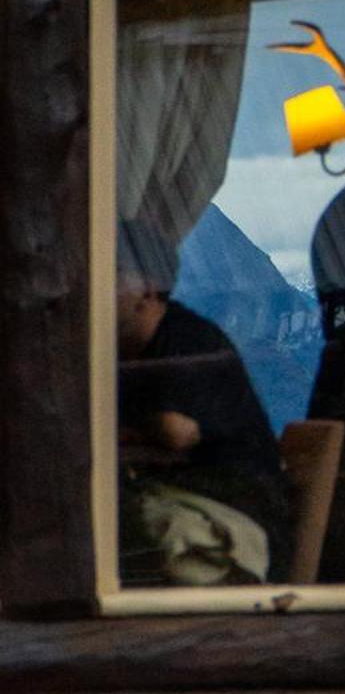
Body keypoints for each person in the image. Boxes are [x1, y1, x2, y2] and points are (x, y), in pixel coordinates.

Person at [116, 219, 291, 584]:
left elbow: (176, 431)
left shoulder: (189, 341)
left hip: (231, 516)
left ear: (148, 289)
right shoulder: (124, 353)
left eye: (112, 276)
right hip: (183, 499)